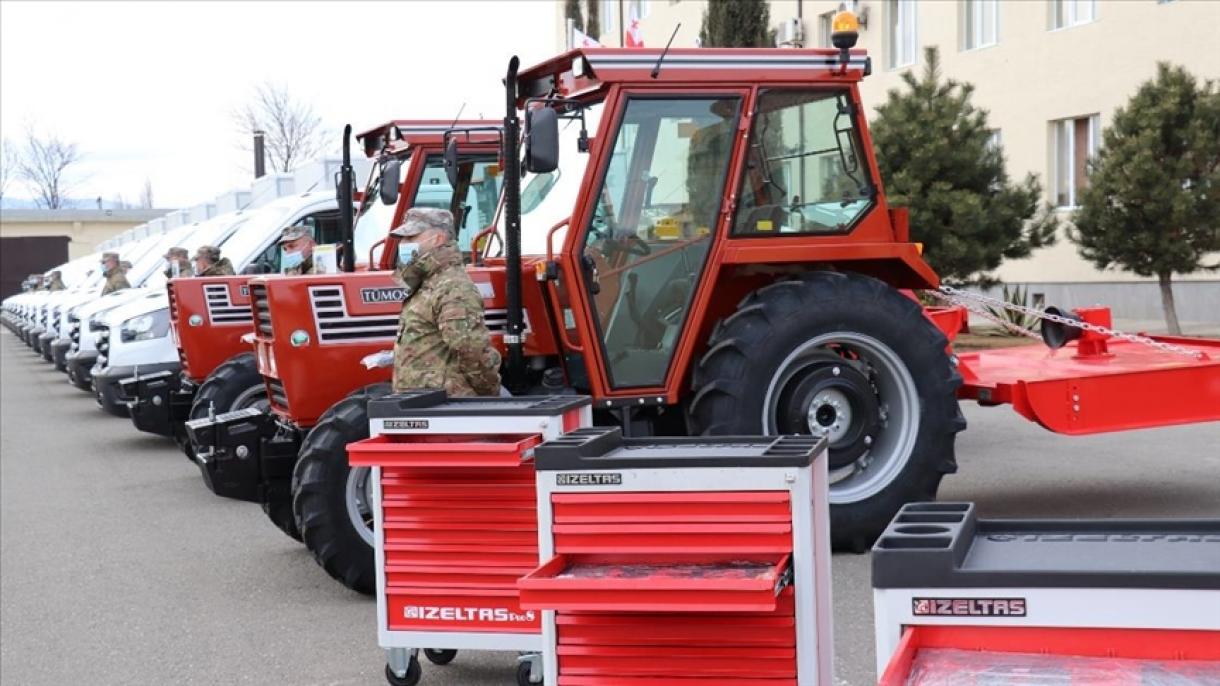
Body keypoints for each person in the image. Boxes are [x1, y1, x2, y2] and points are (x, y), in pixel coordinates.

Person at [390, 207, 500, 396]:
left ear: (438, 239)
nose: (403, 244)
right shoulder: (427, 282)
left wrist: (488, 394)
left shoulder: (452, 286)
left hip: (448, 407)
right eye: (403, 239)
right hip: (424, 404)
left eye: (411, 238)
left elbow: (470, 350)